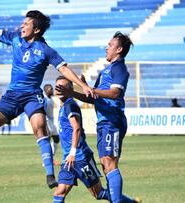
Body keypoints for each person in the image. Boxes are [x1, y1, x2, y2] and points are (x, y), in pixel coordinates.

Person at [0, 1, 95, 189]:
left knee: (40, 128)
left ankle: (50, 176)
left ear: (36, 30)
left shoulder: (45, 50)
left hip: (31, 96)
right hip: (11, 95)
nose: (22, 26)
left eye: (26, 24)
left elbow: (64, 69)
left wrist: (82, 84)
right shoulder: (16, 38)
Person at [56, 32, 141, 202]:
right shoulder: (106, 70)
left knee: (109, 163)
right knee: (105, 163)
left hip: (112, 121)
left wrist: (91, 89)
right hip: (104, 122)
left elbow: (115, 93)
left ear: (119, 49)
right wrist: (74, 91)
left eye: (110, 45)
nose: (106, 48)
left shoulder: (119, 69)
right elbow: (91, 97)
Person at [53, 76, 110, 203]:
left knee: (99, 193)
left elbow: (76, 128)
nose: (59, 89)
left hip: (80, 157)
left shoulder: (70, 106)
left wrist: (72, 152)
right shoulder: (63, 107)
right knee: (59, 192)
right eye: (57, 86)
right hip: (68, 160)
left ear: (70, 89)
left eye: (63, 87)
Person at [44, 84, 60, 158]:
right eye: (51, 89)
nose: (52, 90)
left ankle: (51, 157)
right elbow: (42, 112)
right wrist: (45, 125)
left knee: (56, 139)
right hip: (47, 121)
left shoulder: (51, 99)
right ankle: (47, 159)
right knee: (48, 140)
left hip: (52, 121)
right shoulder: (44, 100)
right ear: (46, 90)